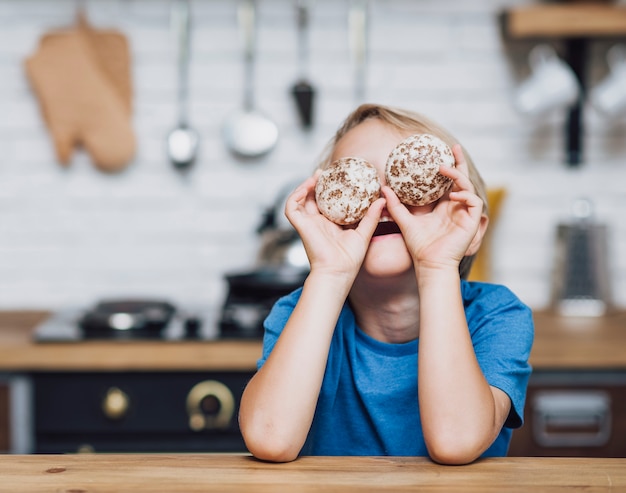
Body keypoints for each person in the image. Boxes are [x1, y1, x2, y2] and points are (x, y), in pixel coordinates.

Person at [238, 103, 534, 465]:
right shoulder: (298, 313)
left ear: (470, 230)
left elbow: (456, 441)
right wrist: (329, 272)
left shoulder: (497, 315)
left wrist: (437, 265)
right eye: (354, 178)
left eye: (407, 180)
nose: (383, 198)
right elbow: (270, 438)